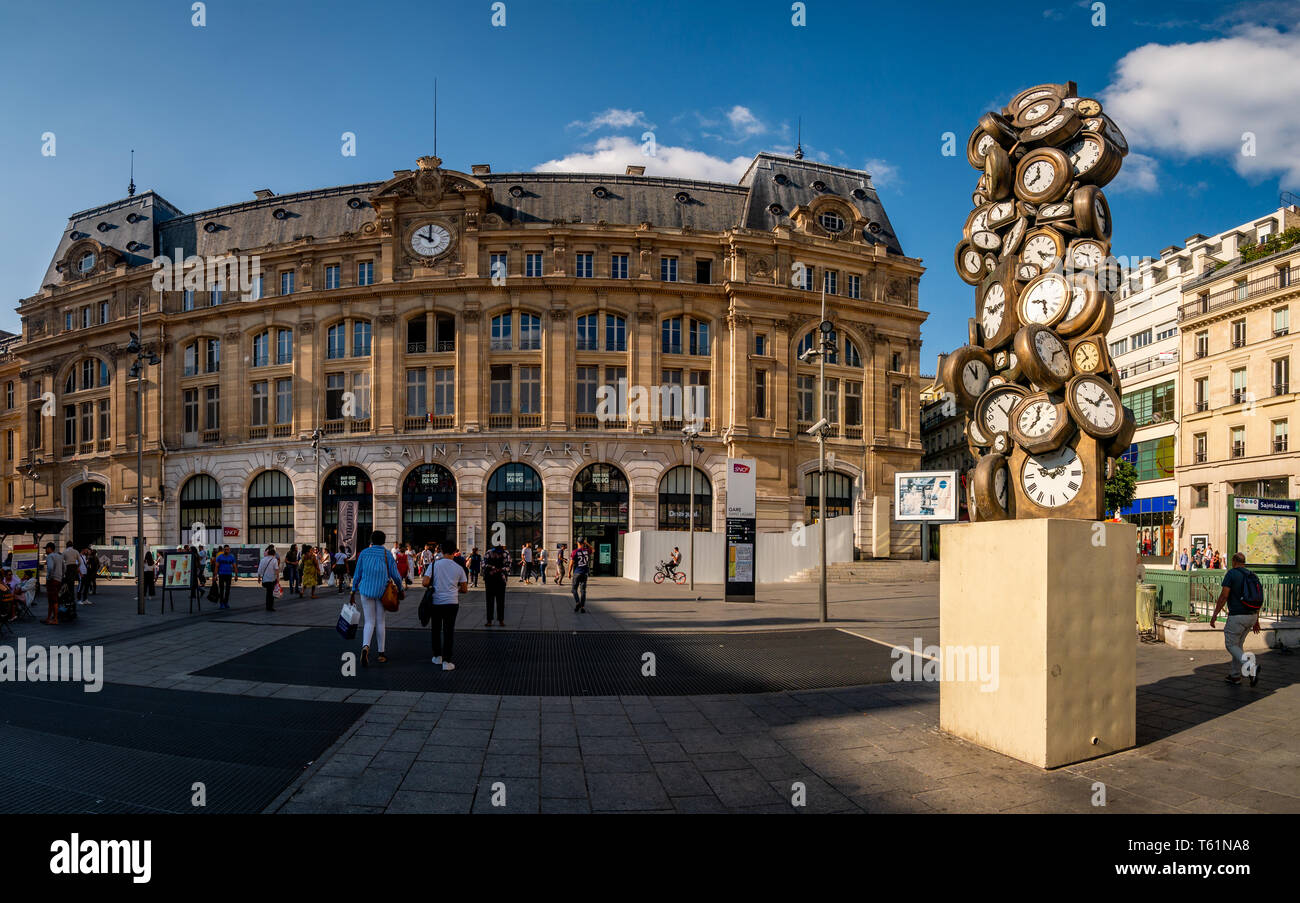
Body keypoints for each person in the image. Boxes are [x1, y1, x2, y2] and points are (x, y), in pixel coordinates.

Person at [1211, 552, 1264, 686]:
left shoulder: (1232, 574)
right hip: (1251, 616)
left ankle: (1250, 667)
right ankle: (1235, 676)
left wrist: (1215, 614)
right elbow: (1256, 598)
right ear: (1243, 561)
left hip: (1237, 617)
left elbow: (1224, 596)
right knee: (1238, 646)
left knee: (1230, 645)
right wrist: (1256, 620)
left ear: (1234, 561)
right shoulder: (1252, 575)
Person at [353, 530, 404, 667]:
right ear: (384, 540)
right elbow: (396, 575)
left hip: (366, 590)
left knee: (369, 621)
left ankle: (365, 646)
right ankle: (381, 654)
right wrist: (400, 588)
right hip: (382, 592)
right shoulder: (387, 554)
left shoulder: (363, 553)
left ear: (371, 540)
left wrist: (353, 590)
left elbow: (357, 574)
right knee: (380, 622)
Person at [427, 543, 468, 670]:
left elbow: (425, 582)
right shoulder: (459, 568)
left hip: (436, 602)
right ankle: (447, 662)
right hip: (451, 602)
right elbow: (465, 589)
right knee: (448, 631)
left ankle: (437, 656)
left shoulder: (434, 565)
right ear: (454, 551)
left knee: (436, 629)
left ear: (442, 551)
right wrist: (455, 589)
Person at [482, 543, 509, 627]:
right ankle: (499, 621)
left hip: (493, 579)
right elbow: (508, 566)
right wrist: (499, 569)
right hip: (497, 579)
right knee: (498, 601)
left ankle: (492, 620)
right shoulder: (504, 553)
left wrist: (492, 568)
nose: (497, 555)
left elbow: (483, 565)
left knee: (494, 601)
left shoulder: (490, 553)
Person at [42, 542, 63, 625]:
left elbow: (50, 568)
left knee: (53, 600)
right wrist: (61, 576)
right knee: (53, 599)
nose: (45, 550)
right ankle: (48, 618)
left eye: (46, 548)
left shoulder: (50, 556)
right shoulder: (59, 556)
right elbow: (64, 567)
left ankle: (55, 619)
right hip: (59, 580)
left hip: (52, 580)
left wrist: (49, 577)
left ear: (50, 548)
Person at [571, 539, 592, 613]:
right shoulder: (587, 551)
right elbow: (593, 549)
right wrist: (587, 543)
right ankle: (582, 607)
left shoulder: (575, 552)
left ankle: (577, 602)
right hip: (585, 573)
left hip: (577, 573)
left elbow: (571, 563)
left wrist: (569, 572)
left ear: (577, 543)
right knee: (583, 591)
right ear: (583, 543)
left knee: (574, 589)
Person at [257, 545, 280, 612]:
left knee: (268, 592)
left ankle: (268, 606)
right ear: (273, 554)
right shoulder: (274, 560)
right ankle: (270, 607)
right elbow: (276, 570)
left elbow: (259, 569)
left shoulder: (263, 560)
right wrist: (278, 578)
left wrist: (259, 578)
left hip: (265, 579)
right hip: (272, 579)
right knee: (271, 593)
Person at [215, 544, 236, 609]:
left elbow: (235, 566)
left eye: (228, 549)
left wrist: (236, 575)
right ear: (223, 550)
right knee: (221, 589)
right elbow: (216, 566)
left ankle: (226, 602)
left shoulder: (231, 557)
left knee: (227, 590)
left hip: (229, 574)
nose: (227, 550)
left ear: (229, 550)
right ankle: (221, 603)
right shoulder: (220, 557)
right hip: (221, 574)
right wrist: (215, 575)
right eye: (226, 549)